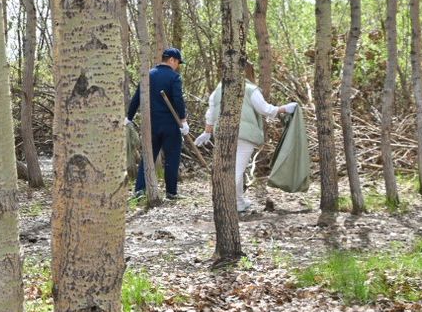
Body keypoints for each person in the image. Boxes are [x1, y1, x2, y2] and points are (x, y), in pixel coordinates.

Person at [196, 61, 296, 212]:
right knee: (236, 171)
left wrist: (208, 131)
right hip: (244, 135)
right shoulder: (250, 89)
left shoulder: (219, 89)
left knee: (232, 168)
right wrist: (285, 108)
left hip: (222, 134)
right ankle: (227, 203)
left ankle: (239, 202)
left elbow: (210, 112)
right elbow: (265, 109)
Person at [126, 48, 189, 200]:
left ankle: (139, 190)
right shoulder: (174, 77)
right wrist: (183, 120)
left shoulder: (148, 75)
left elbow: (137, 97)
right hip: (170, 125)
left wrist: (129, 117)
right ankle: (171, 192)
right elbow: (178, 99)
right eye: (177, 63)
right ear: (172, 60)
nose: (177, 66)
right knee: (172, 157)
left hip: (151, 124)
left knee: (148, 157)